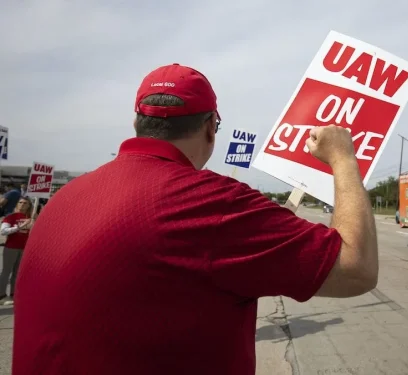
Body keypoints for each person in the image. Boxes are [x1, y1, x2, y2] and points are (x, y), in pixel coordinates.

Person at [13, 63, 378, 375]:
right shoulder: (211, 204)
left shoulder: (64, 198)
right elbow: (356, 267)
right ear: (209, 128)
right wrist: (344, 159)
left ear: (137, 122)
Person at [0, 197, 33, 305]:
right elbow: (3, 231)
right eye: (20, 202)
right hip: (11, 247)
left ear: (29, 205)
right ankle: (1, 295)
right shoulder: (11, 217)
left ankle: (13, 294)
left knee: (17, 273)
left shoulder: (31, 217)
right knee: (6, 271)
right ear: (17, 204)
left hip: (24, 248)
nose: (22, 205)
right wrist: (19, 227)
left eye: (25, 203)